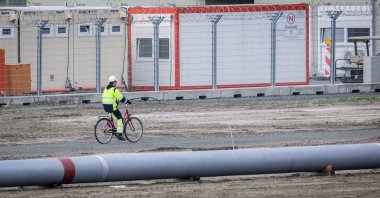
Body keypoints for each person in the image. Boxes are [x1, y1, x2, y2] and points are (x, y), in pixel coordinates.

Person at [102, 75, 131, 141]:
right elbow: (121, 98)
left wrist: (117, 101)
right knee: (120, 118)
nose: (116, 83)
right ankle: (119, 134)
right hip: (112, 107)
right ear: (114, 82)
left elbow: (111, 98)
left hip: (105, 106)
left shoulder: (106, 89)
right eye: (116, 82)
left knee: (112, 114)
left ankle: (109, 123)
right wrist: (127, 101)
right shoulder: (114, 90)